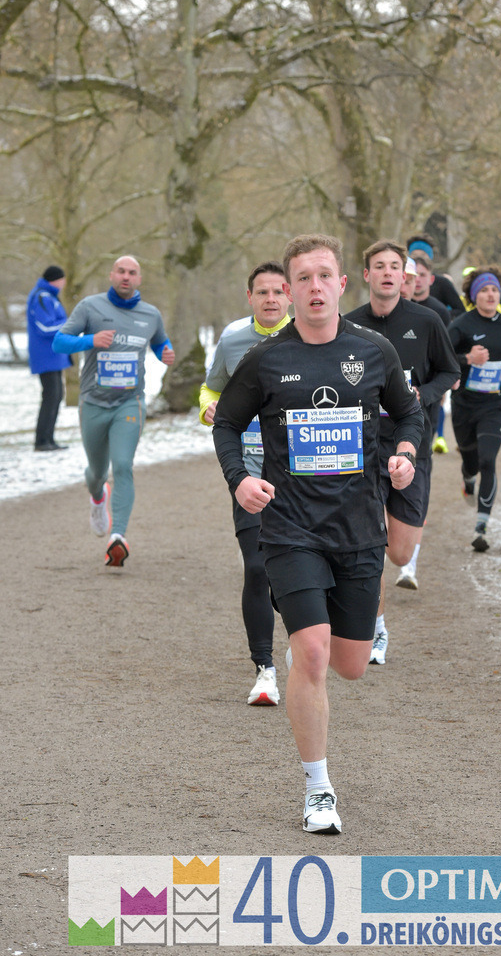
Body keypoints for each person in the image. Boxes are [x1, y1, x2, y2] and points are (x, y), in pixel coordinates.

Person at [213, 233, 423, 833]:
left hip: (358, 527)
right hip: (290, 527)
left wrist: (405, 454)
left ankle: (312, 646)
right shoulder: (266, 359)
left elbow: (409, 413)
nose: (314, 288)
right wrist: (239, 481)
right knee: (312, 652)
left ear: (342, 283)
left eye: (323, 276)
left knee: (351, 666)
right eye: (302, 278)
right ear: (289, 288)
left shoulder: (374, 351)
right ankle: (318, 789)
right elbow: (226, 423)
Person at [346, 239, 459, 626]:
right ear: (367, 275)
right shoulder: (349, 324)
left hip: (412, 445)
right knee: (368, 543)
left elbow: (450, 370)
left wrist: (423, 394)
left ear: (404, 275)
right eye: (379, 266)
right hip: (363, 446)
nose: (387, 273)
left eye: (395, 267)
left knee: (399, 552)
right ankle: (374, 626)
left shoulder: (426, 321)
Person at [200, 261, 291, 707]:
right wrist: (208, 408)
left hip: (301, 478)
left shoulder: (313, 337)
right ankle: (265, 670)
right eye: (262, 292)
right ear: (249, 297)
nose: (271, 299)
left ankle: (303, 634)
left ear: (290, 295)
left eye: (278, 291)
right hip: (249, 473)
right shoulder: (234, 340)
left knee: (294, 571)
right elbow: (211, 389)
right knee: (256, 567)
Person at [53, 255, 174, 566]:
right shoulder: (90, 307)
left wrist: (165, 352)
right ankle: (98, 496)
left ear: (139, 279)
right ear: (112, 275)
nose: (126, 276)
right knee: (97, 473)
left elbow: (160, 341)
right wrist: (90, 340)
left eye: (132, 272)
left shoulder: (150, 314)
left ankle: (117, 535)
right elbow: (59, 342)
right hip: (93, 402)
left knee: (122, 465)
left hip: (129, 403)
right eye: (121, 271)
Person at [448, 265, 501, 552]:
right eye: (484, 290)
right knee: (471, 461)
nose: (490, 295)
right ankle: (467, 478)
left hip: (493, 404)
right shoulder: (461, 325)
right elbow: (441, 359)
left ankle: (481, 527)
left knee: (488, 461)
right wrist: (468, 358)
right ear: (474, 295)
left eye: (494, 290)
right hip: (464, 405)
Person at [26, 265, 72, 452]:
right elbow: (45, 327)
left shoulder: (49, 296)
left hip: (54, 356)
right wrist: (69, 325)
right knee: (51, 397)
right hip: (46, 356)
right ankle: (42, 441)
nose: (64, 282)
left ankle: (49, 439)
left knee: (56, 396)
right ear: (56, 279)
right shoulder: (42, 297)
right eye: (62, 278)